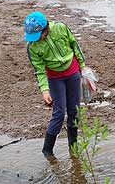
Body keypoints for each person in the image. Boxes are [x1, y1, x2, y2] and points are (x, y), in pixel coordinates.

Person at [24, 11, 85, 159]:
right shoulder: (32, 47)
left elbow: (74, 45)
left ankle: (73, 146)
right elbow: (39, 71)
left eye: (38, 36)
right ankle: (47, 150)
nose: (36, 40)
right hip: (55, 78)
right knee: (59, 113)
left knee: (74, 110)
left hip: (72, 73)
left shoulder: (61, 28)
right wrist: (45, 90)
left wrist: (83, 66)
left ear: (45, 29)